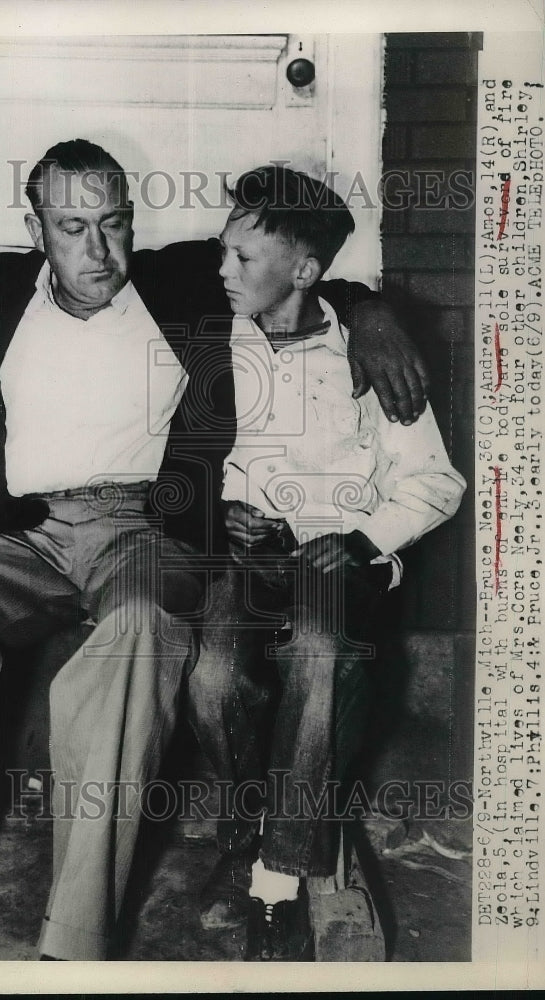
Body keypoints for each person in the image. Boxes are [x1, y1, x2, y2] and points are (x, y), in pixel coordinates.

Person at [0, 139, 429, 961]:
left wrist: (371, 313)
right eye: (72, 225)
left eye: (114, 223)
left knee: (137, 628)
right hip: (25, 531)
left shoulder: (182, 278)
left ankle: (73, 936)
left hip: (145, 533)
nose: (98, 250)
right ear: (36, 228)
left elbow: (294, 266)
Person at [186, 165, 466, 960]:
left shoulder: (365, 358)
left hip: (335, 558)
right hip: (248, 561)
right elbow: (190, 464)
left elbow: (436, 482)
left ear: (306, 271)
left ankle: (277, 878)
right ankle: (245, 836)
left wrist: (363, 541)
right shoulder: (212, 338)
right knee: (210, 676)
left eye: (244, 259)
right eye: (222, 251)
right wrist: (220, 512)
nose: (222, 271)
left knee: (318, 654)